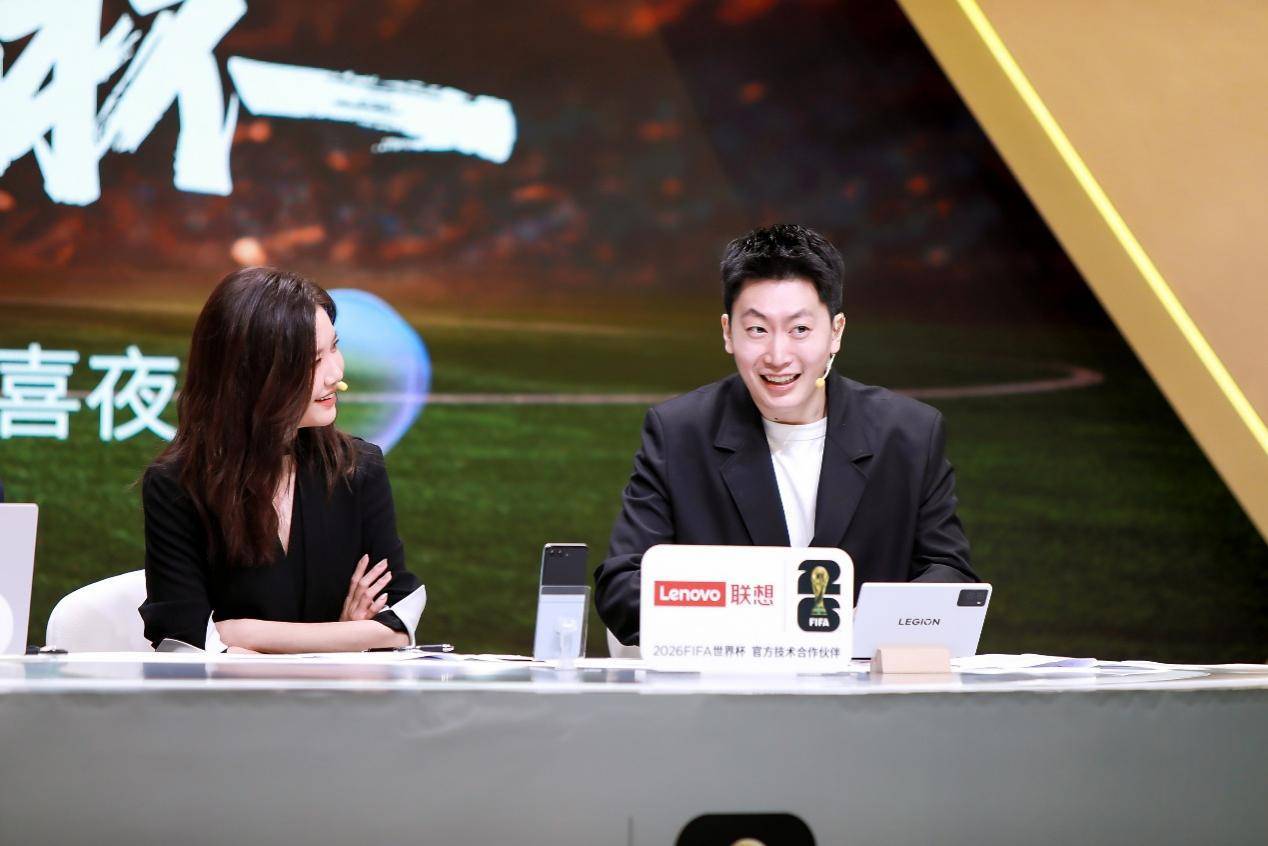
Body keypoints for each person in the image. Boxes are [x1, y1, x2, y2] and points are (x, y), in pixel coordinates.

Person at [595, 224, 977, 646]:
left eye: (800, 330)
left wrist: (863, 626)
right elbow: (622, 586)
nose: (778, 357)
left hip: (862, 681)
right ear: (727, 332)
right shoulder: (680, 433)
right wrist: (765, 625)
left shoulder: (909, 434)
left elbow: (950, 574)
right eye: (757, 330)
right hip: (728, 681)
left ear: (836, 332)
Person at [140, 267, 423, 652]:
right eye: (313, 360)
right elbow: (185, 641)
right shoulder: (177, 484)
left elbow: (400, 620)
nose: (336, 374)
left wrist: (240, 633)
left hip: (336, 693)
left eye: (334, 347)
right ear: (252, 373)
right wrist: (344, 638)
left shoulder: (358, 467)